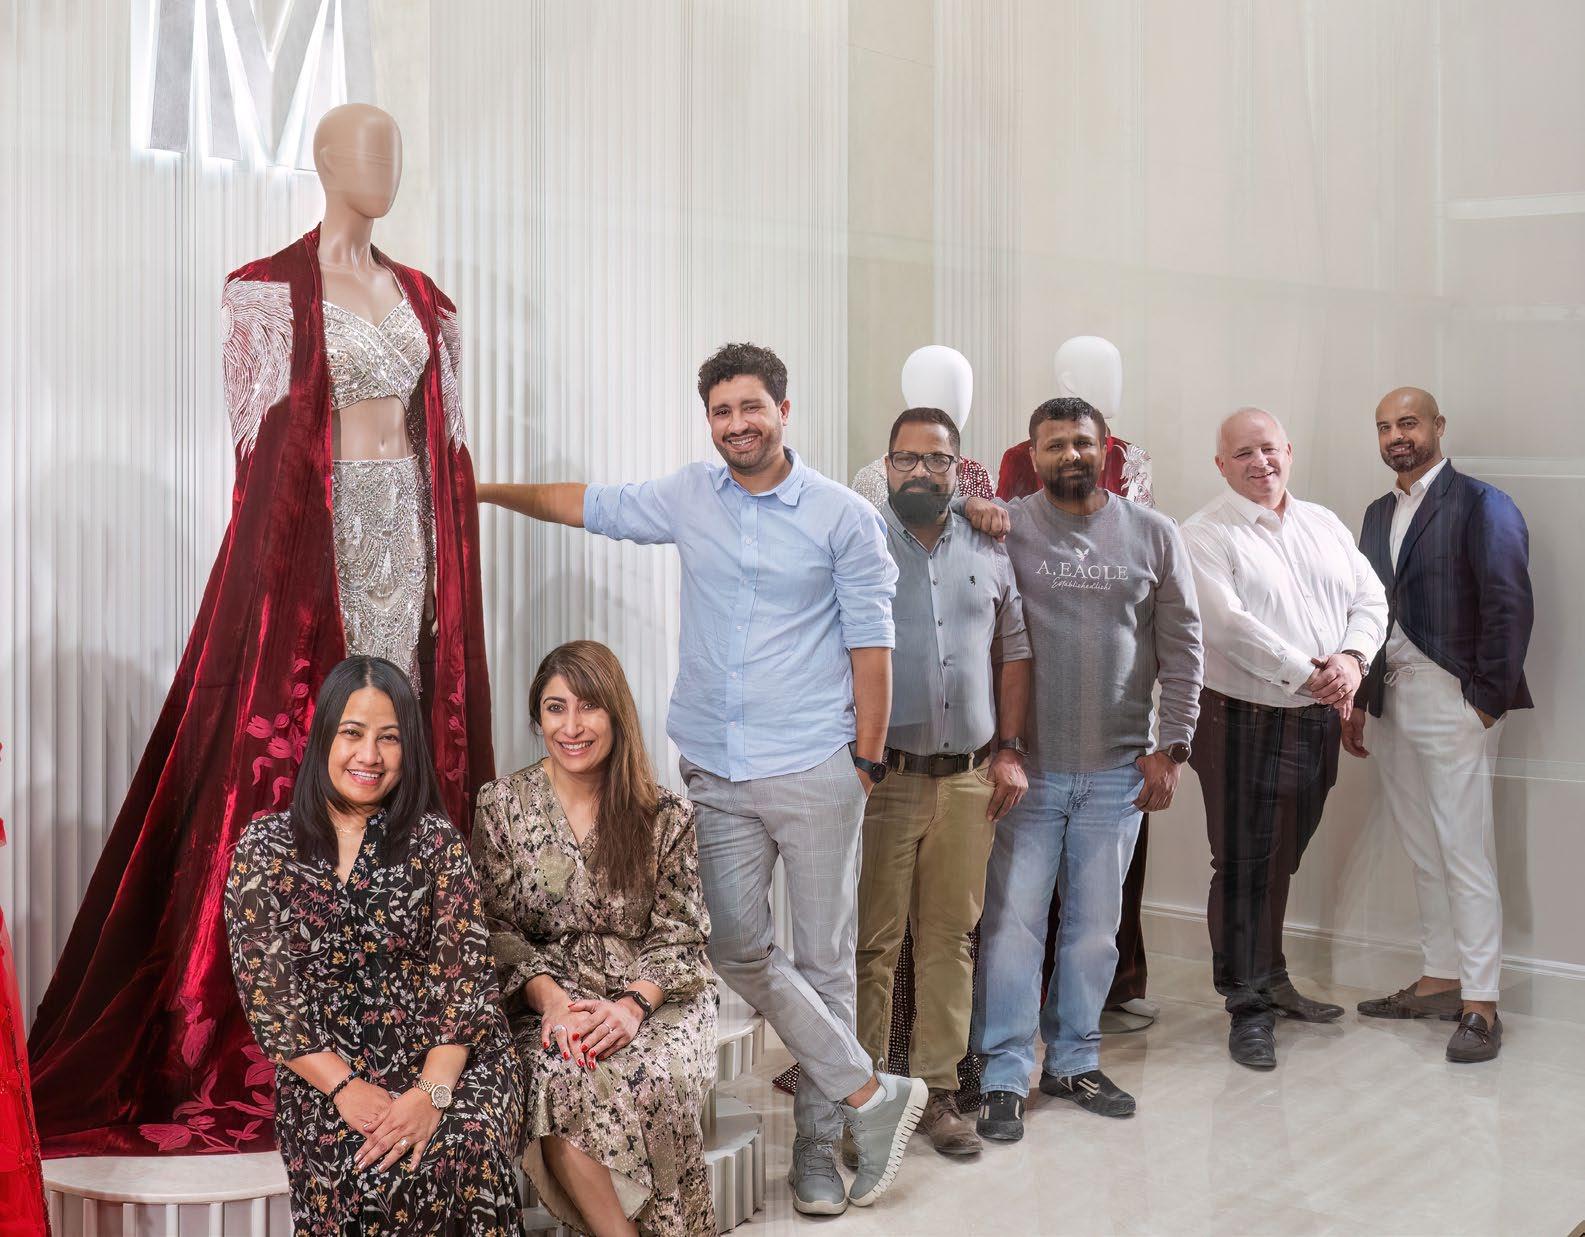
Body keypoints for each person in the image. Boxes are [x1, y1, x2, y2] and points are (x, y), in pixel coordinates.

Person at [31, 104, 495, 1157]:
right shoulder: (262, 290)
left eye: (395, 148)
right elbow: (261, 462)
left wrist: (445, 574)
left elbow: (448, 450)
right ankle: (301, 1019)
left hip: (409, 538)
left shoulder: (428, 299)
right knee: (321, 748)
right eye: (364, 148)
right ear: (323, 160)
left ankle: (402, 1001)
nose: (384, 167)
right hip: (318, 550)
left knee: (398, 747)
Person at [478, 342, 927, 1217]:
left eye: (751, 407)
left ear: (782, 410)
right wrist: (483, 492)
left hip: (815, 765)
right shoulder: (691, 496)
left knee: (824, 961)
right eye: (721, 411)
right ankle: (871, 1092)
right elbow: (587, 504)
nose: (736, 424)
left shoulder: (841, 516)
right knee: (737, 947)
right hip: (716, 772)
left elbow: (872, 646)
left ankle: (818, 1151)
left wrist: (864, 763)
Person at [961, 397, 1202, 1140]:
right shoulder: (1003, 528)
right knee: (1012, 929)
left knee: (1096, 931)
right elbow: (926, 521)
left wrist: (1173, 746)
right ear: (1031, 455)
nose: (1071, 454)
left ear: (1106, 450)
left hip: (1117, 774)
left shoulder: (1153, 534)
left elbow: (1184, 647)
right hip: (1025, 773)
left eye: (1083, 443)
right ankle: (1003, 1072)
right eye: (1055, 444)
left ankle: (1072, 1061)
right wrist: (967, 503)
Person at [223, 656, 522, 1233]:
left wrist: (429, 1094)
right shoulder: (266, 847)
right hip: (326, 1075)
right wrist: (344, 1087)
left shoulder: (434, 843)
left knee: (459, 1149)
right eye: (353, 733)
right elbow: (270, 1000)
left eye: (389, 738)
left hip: (450, 1063)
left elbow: (465, 985)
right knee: (362, 1174)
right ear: (323, 739)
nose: (370, 755)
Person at [471, 641, 717, 1237]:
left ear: (616, 713)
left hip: (656, 995)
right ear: (538, 717)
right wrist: (553, 1002)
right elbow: (495, 928)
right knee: (558, 1078)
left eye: (589, 707)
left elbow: (682, 934)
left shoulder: (665, 814)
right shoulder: (500, 805)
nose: (572, 726)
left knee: (654, 1078)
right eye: (556, 708)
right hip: (547, 995)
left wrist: (632, 1006)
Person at [1179, 408, 1388, 1070]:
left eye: (1268, 449)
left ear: (1288, 452)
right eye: (1242, 453)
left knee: (1281, 859)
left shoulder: (1323, 522)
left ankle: (1272, 978)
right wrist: (1312, 675)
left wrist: (1352, 659)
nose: (1259, 462)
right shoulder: (1202, 535)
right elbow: (1227, 626)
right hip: (1239, 718)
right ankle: (1246, 1006)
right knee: (1243, 864)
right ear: (1221, 465)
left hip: (1313, 721)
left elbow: (1370, 598)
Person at [848, 409, 1030, 1158]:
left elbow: (1013, 651)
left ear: (958, 468)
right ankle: (863, 1098)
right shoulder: (859, 540)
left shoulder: (989, 546)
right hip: (881, 779)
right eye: (906, 459)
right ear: (885, 465)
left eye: (937, 460)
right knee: (872, 944)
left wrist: (1010, 749)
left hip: (967, 780)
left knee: (950, 940)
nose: (920, 471)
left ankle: (936, 1093)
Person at [1348, 388, 1533, 1063]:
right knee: (1422, 847)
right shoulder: (1375, 514)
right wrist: (1360, 698)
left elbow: (1509, 603)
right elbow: (1364, 608)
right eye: (1384, 427)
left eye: (1408, 422)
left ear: (1437, 426)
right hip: (1390, 697)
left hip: (1454, 695)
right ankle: (1439, 976)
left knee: (1464, 849)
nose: (1396, 435)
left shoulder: (1483, 504)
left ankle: (1481, 1001)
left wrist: (1484, 702)